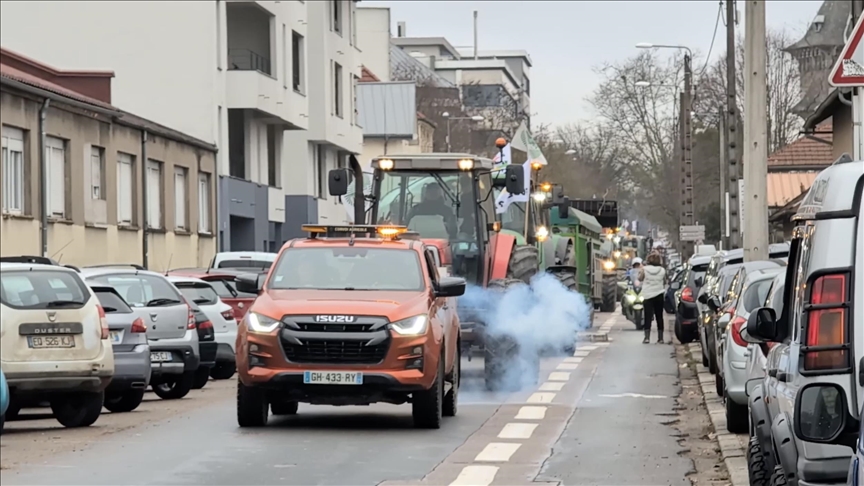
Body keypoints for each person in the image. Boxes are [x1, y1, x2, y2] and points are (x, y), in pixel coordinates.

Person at [639, 251, 668, 344]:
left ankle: (647, 338)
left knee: (648, 316)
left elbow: (640, 278)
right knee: (659, 316)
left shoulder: (644, 269)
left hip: (648, 295)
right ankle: (660, 338)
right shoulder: (662, 270)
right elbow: (664, 281)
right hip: (659, 294)